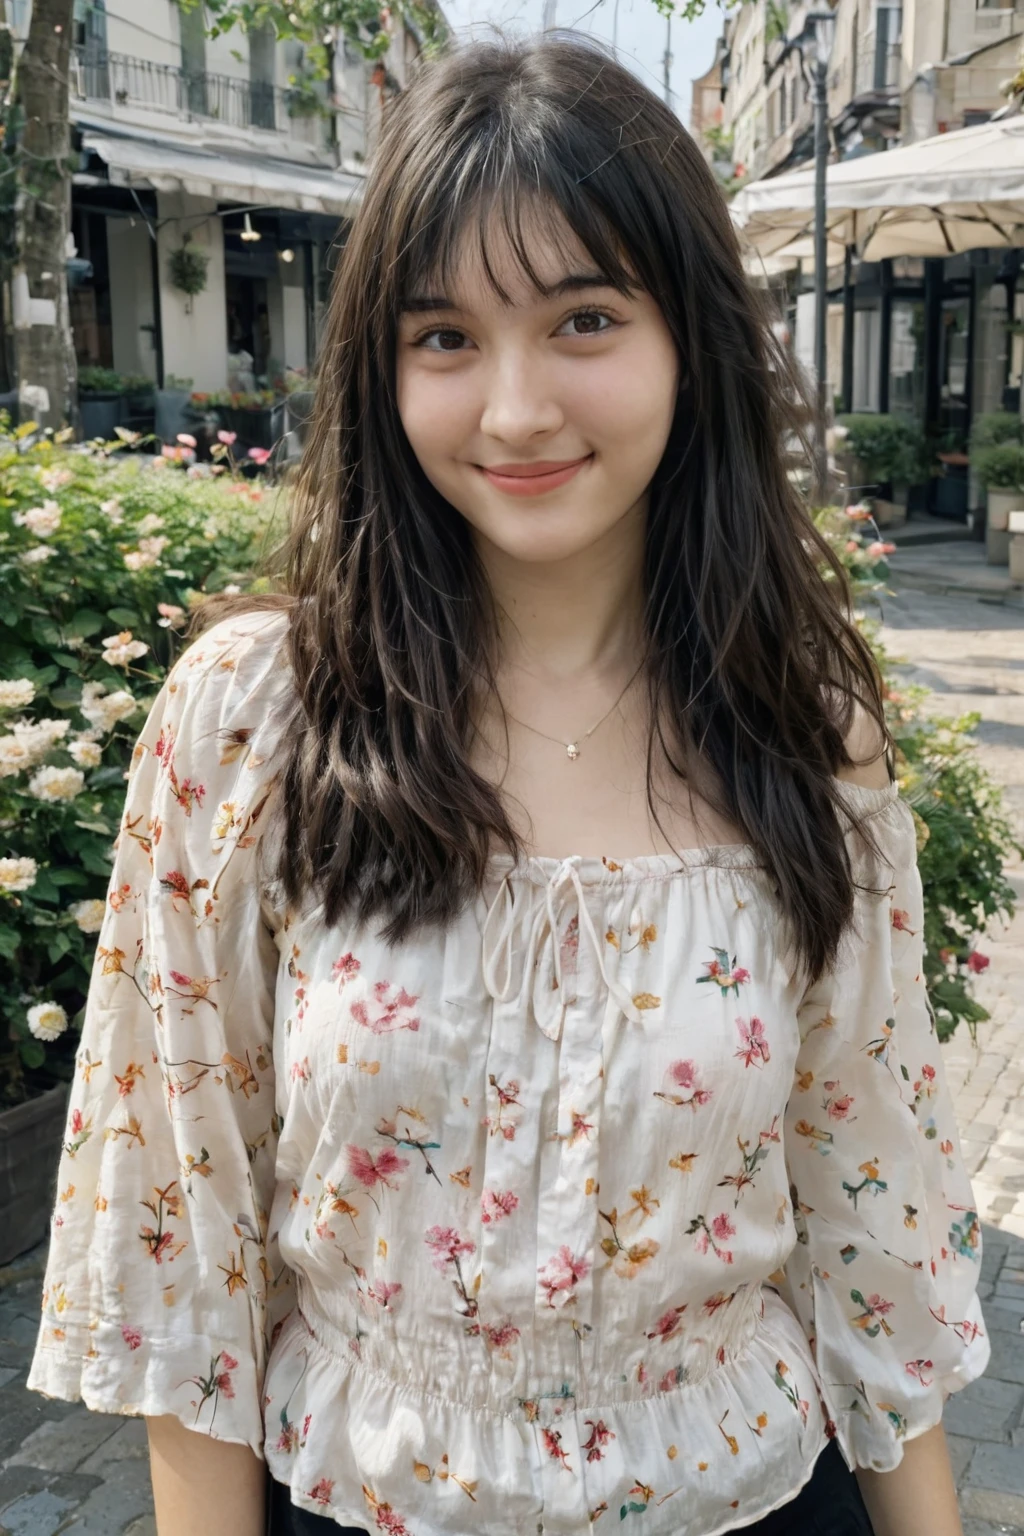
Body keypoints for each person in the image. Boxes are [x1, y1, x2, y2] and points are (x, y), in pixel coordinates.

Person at [28, 33, 988, 1536]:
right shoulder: (256, 726)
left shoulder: (804, 734)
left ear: (692, 343)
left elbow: (870, 1215)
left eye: (585, 319)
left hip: (749, 1498)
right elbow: (185, 1246)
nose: (518, 409)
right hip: (361, 1500)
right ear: (382, 368)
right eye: (446, 338)